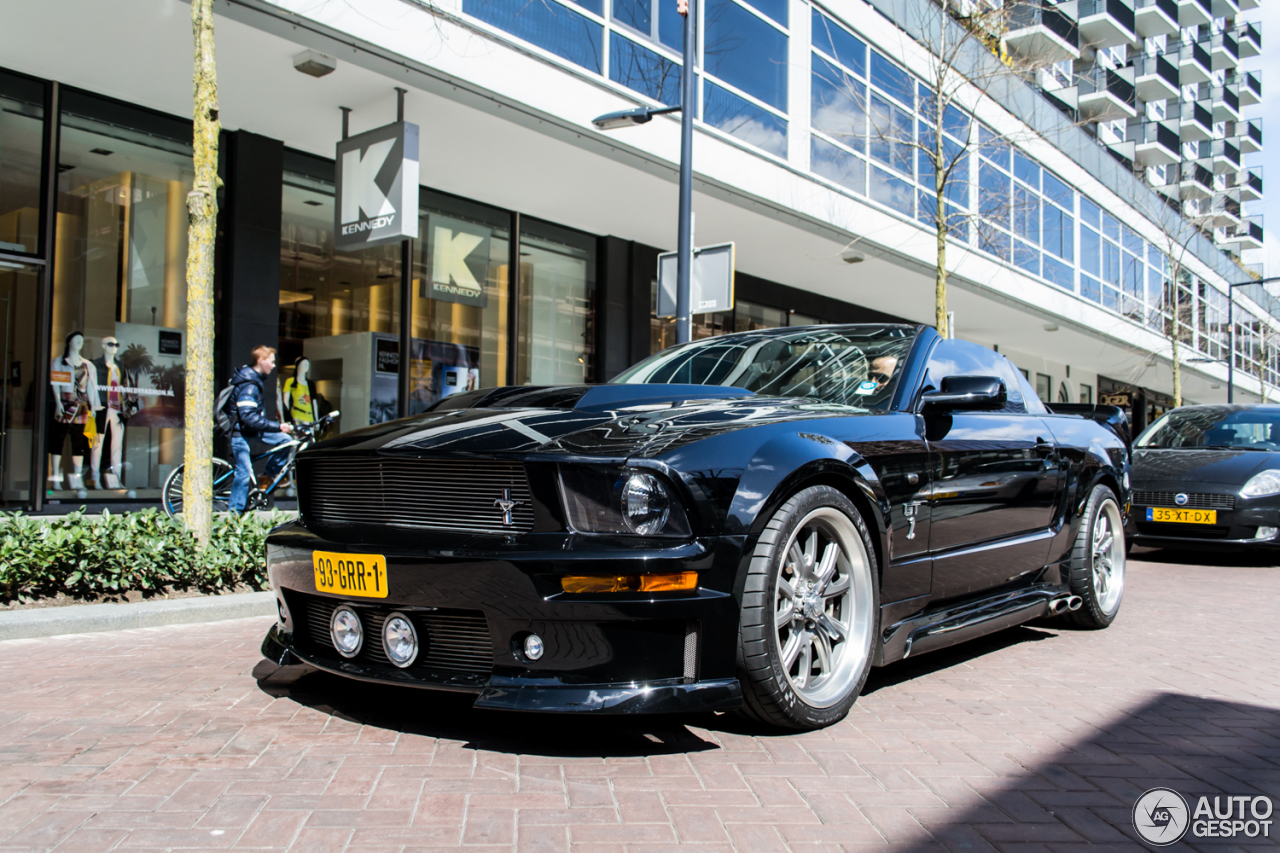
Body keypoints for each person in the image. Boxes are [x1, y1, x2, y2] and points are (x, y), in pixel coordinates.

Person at [229, 345, 293, 513]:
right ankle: (233, 516)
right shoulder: (249, 384)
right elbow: (248, 418)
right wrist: (278, 426)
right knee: (243, 473)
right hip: (241, 432)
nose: (273, 365)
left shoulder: (254, 380)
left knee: (286, 441)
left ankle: (267, 476)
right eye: (271, 362)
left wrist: (278, 430)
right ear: (261, 360)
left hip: (251, 430)